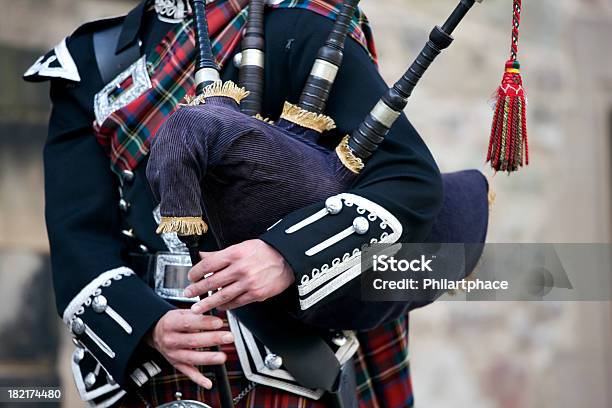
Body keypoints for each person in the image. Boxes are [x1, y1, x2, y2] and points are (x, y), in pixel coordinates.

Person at [24, 0, 444, 406]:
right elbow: (76, 231)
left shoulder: (304, 27)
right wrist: (148, 325)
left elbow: (406, 181)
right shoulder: (89, 62)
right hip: (150, 360)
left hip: (288, 356)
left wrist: (284, 255)